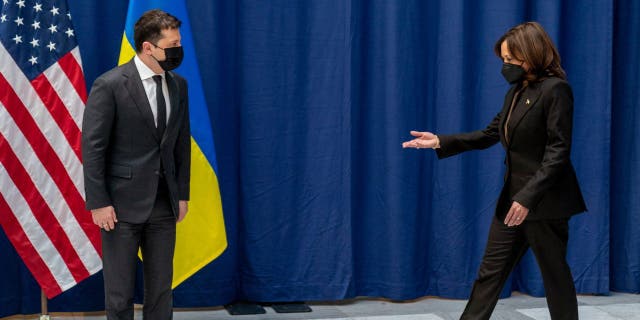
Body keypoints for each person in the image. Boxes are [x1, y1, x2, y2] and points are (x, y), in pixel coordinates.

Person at [402, 22, 586, 320]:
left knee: (555, 277)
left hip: (544, 203)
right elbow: (490, 134)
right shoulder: (517, 91)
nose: (505, 66)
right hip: (511, 200)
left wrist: (527, 198)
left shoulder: (556, 90)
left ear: (531, 55)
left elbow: (558, 152)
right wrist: (440, 141)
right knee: (490, 273)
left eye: (511, 60)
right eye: (503, 60)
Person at [82, 9, 190, 320]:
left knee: (160, 289)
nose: (178, 49)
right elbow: (93, 147)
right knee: (119, 291)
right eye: (172, 44)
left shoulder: (178, 85)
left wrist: (182, 194)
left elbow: (181, 143)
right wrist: (99, 202)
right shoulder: (111, 85)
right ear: (148, 47)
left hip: (163, 203)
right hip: (119, 206)